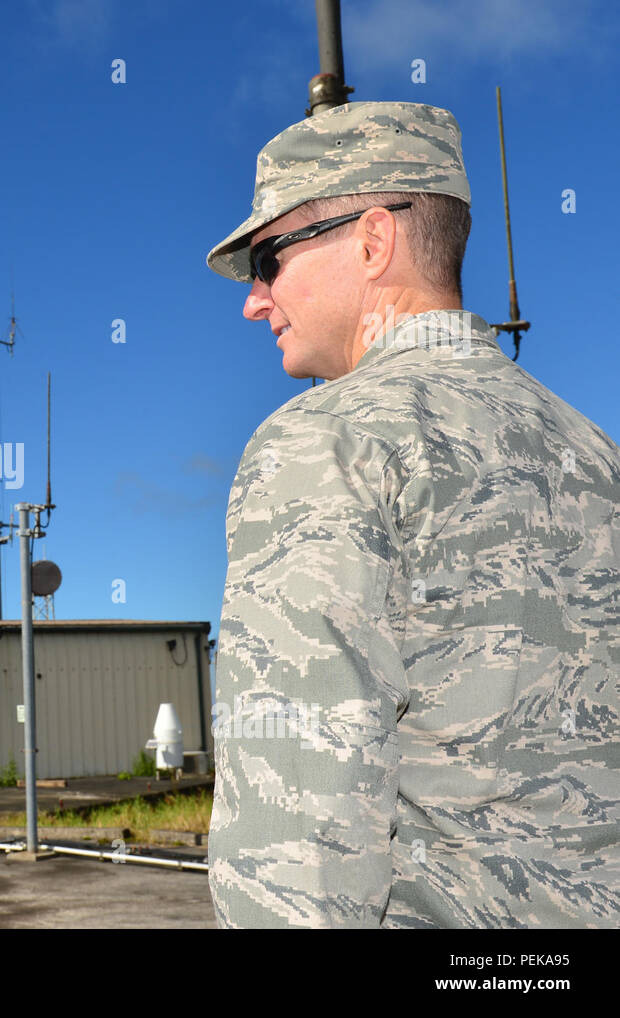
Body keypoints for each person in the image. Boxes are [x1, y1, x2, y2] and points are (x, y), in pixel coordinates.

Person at [203, 101, 620, 927]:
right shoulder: (593, 452)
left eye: (269, 258)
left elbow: (298, 849)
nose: (256, 301)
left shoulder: (328, 440)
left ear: (371, 240)